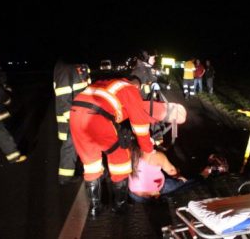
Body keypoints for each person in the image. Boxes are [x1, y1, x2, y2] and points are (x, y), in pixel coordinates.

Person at [69, 76, 186, 217]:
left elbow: (120, 111)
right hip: (97, 118)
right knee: (120, 161)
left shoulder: (109, 84)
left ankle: (95, 208)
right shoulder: (130, 89)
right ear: (137, 86)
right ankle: (120, 206)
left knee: (91, 165)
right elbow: (140, 125)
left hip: (75, 116)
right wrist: (148, 149)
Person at [53, 59, 91, 185]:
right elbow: (64, 99)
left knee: (78, 144)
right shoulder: (65, 69)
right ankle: (65, 177)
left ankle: (86, 169)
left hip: (81, 114)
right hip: (72, 117)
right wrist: (73, 118)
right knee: (70, 146)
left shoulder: (78, 67)